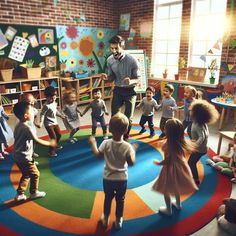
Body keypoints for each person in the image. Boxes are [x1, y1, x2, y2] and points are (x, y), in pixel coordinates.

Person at [88, 112, 137, 229]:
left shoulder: (106, 143)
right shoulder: (127, 147)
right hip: (122, 179)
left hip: (108, 178)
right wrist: (133, 151)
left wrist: (93, 144)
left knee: (108, 198)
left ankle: (105, 218)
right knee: (120, 199)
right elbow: (131, 163)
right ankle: (119, 219)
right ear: (126, 131)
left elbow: (98, 155)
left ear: (109, 129)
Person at [152, 118, 198, 216]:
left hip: (170, 169)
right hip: (181, 167)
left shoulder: (167, 145)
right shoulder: (181, 142)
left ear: (167, 131)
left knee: (166, 190)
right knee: (176, 186)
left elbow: (168, 160)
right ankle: (178, 204)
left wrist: (159, 163)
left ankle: (168, 210)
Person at [13, 101, 56, 201]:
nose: (33, 112)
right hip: (25, 157)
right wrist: (50, 143)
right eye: (31, 111)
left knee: (26, 174)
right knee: (35, 174)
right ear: (26, 116)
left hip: (17, 156)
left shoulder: (17, 125)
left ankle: (20, 194)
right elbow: (37, 140)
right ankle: (34, 192)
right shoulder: (27, 128)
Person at [100, 35, 141, 141]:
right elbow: (112, 77)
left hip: (130, 91)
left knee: (128, 117)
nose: (114, 51)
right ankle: (115, 135)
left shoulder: (132, 60)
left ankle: (126, 136)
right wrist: (107, 78)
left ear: (122, 47)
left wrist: (130, 81)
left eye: (116, 48)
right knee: (114, 115)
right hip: (118, 89)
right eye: (112, 48)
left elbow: (138, 79)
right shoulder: (109, 60)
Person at [188, 99, 219, 186]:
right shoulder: (201, 122)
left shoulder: (198, 125)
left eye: (192, 111)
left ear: (196, 114)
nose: (190, 112)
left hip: (199, 149)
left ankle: (195, 179)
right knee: (192, 161)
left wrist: (194, 146)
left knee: (191, 163)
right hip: (203, 148)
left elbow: (202, 136)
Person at [39, 86, 65, 157]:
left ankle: (55, 144)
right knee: (53, 137)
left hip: (54, 122)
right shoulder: (46, 106)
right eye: (51, 98)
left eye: (54, 97)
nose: (53, 100)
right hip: (48, 124)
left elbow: (55, 111)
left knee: (59, 135)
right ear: (46, 97)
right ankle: (51, 151)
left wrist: (60, 115)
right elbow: (42, 114)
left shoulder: (54, 103)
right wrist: (41, 122)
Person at [19, 93, 40, 158]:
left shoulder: (34, 110)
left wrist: (36, 123)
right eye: (29, 102)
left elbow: (36, 116)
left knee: (34, 141)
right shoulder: (23, 111)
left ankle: (32, 152)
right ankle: (27, 155)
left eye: (32, 102)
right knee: (27, 144)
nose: (31, 104)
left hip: (32, 129)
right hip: (25, 130)